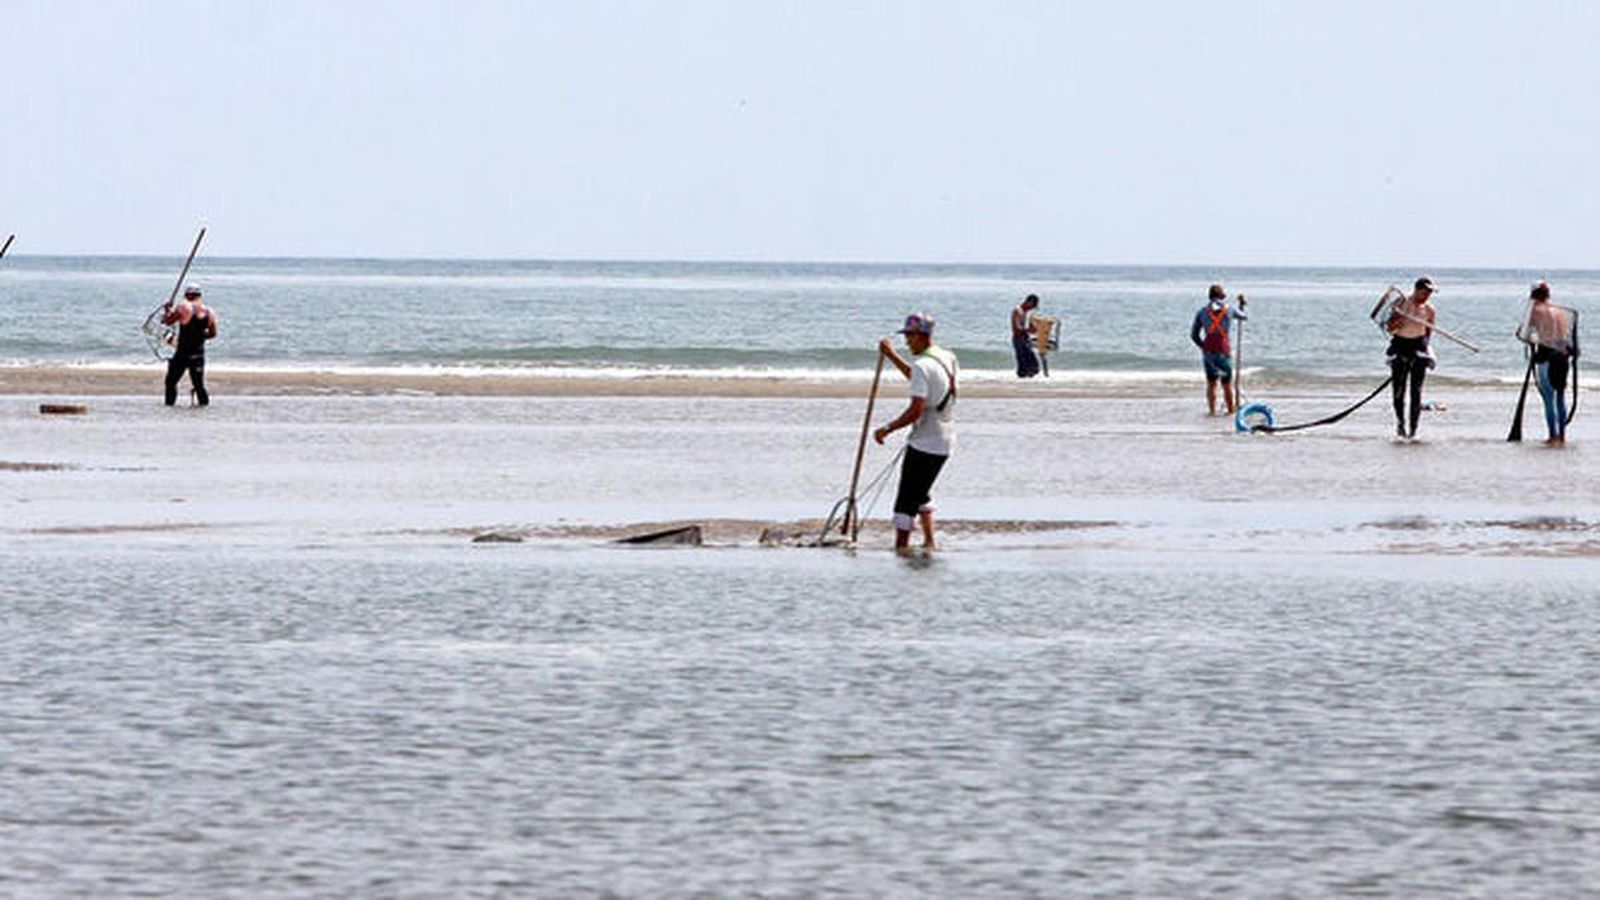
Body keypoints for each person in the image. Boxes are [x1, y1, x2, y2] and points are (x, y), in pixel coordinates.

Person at [873, 312, 958, 554]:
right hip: (946, 439)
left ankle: (901, 549)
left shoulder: (922, 365)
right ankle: (929, 541)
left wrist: (886, 429)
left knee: (905, 500)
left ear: (922, 335)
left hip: (925, 443)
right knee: (920, 491)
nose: (907, 341)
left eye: (910, 336)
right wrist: (892, 357)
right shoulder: (947, 357)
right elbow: (922, 381)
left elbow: (915, 410)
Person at [1520, 280, 1574, 445]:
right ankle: (1562, 436)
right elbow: (1565, 335)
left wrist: (1531, 338)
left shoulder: (1535, 310)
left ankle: (1552, 435)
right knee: (1560, 397)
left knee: (1548, 398)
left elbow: (1524, 334)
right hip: (1563, 357)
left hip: (1547, 357)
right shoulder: (1560, 310)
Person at [1385, 277, 1437, 439]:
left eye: (1430, 292)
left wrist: (1426, 349)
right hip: (1400, 345)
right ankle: (1400, 424)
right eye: (1425, 291)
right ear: (1417, 289)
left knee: (1416, 391)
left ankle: (1413, 430)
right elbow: (1390, 328)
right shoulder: (1401, 304)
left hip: (1418, 347)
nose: (1427, 295)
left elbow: (1429, 332)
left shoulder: (1429, 310)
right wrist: (1401, 317)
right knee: (1399, 390)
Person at [1189, 284, 1246, 415]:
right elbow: (1244, 316)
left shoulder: (1202, 312)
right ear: (1222, 296)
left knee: (1211, 383)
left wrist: (1203, 346)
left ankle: (1212, 411)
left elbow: (1194, 335)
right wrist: (1241, 305)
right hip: (1223, 350)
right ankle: (1231, 411)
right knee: (1226, 384)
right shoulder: (1229, 310)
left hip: (1208, 352)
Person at [162, 283, 218, 406]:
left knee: (171, 382)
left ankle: (169, 409)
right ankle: (204, 410)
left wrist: (167, 310)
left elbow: (168, 321)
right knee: (199, 386)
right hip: (198, 354)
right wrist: (198, 337)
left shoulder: (184, 307)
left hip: (183, 354)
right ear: (199, 295)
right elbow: (213, 334)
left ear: (187, 295)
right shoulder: (210, 312)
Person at [1011, 294, 1041, 378]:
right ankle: (1021, 384)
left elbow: (1028, 327)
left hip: (1025, 339)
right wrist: (1028, 330)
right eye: (1032, 306)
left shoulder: (1026, 313)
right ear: (1029, 302)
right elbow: (1016, 328)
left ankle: (1027, 385)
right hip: (1019, 340)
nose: (1032, 308)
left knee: (1032, 366)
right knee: (1024, 365)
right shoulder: (1018, 311)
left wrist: (1034, 329)